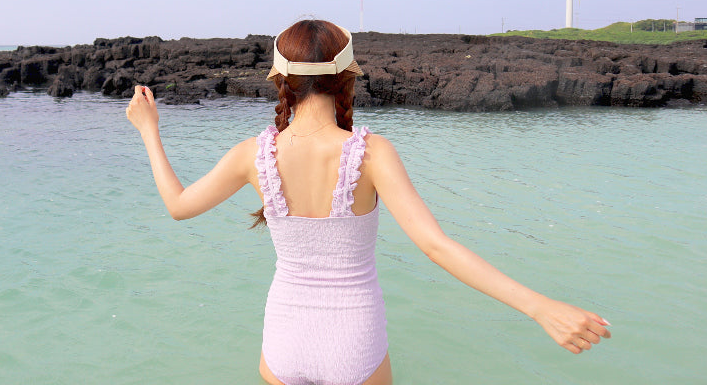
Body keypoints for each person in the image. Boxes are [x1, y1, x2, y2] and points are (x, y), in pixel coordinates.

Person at [126, 19, 611, 385]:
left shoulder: (250, 156)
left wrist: (150, 132)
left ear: (278, 75)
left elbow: (179, 205)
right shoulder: (372, 153)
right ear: (350, 72)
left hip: (284, 339)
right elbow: (436, 246)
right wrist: (539, 307)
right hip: (353, 340)